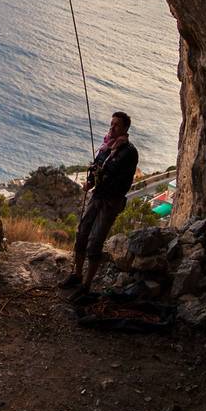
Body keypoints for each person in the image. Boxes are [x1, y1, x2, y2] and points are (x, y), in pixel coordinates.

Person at [63, 111, 140, 293]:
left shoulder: (129, 152)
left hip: (110, 202)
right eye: (111, 124)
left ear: (125, 129)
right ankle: (77, 275)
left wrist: (101, 175)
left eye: (116, 125)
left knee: (95, 242)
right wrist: (90, 181)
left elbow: (118, 175)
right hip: (97, 196)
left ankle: (86, 286)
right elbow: (96, 166)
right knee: (82, 234)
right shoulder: (106, 147)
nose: (112, 128)